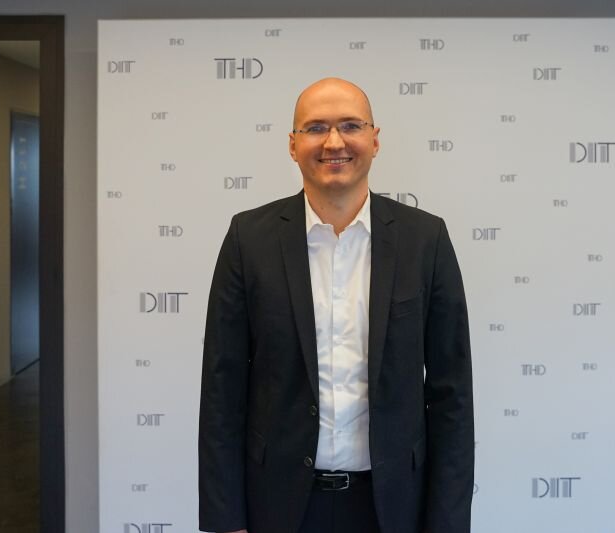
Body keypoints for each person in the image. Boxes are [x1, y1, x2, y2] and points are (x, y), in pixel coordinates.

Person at [198, 78, 474, 533]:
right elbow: (222, 388)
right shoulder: (248, 240)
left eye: (350, 125)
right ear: (292, 145)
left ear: (375, 139)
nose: (333, 142)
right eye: (315, 128)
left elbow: (452, 394)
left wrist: (446, 523)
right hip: (277, 505)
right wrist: (226, 520)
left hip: (393, 508)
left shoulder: (426, 240)